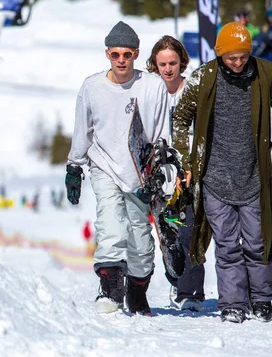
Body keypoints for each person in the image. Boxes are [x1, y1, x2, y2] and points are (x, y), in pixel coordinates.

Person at [65, 21, 168, 316]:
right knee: (111, 225)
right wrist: (74, 165)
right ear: (107, 54)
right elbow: (82, 131)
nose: (121, 60)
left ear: (136, 54)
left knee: (141, 240)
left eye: (127, 54)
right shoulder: (92, 87)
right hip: (104, 165)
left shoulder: (151, 85)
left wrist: (162, 168)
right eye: (115, 54)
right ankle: (110, 292)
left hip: (138, 171)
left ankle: (136, 292)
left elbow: (161, 132)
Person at [172, 22, 272, 323]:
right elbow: (180, 118)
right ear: (220, 55)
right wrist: (186, 161)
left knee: (258, 242)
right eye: (232, 57)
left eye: (243, 56)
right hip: (215, 177)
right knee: (228, 246)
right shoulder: (204, 78)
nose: (238, 62)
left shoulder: (265, 74)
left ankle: (263, 299)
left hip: (254, 175)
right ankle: (233, 303)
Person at [146, 35, 205, 312]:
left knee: (189, 230)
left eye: (173, 63)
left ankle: (189, 292)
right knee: (167, 234)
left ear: (182, 61)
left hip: (189, 170)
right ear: (154, 65)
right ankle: (175, 277)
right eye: (162, 64)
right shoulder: (149, 89)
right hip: (159, 171)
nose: (168, 69)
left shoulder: (192, 88)